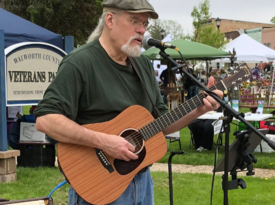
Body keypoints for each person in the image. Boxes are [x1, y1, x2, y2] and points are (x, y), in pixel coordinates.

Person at [33, 0, 223, 204]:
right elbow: (46, 120)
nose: (142, 30)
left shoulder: (142, 65)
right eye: (134, 21)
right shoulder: (80, 63)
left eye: (145, 24)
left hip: (141, 182)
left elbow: (161, 124)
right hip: (98, 183)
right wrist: (104, 142)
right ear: (110, 20)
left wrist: (198, 109)